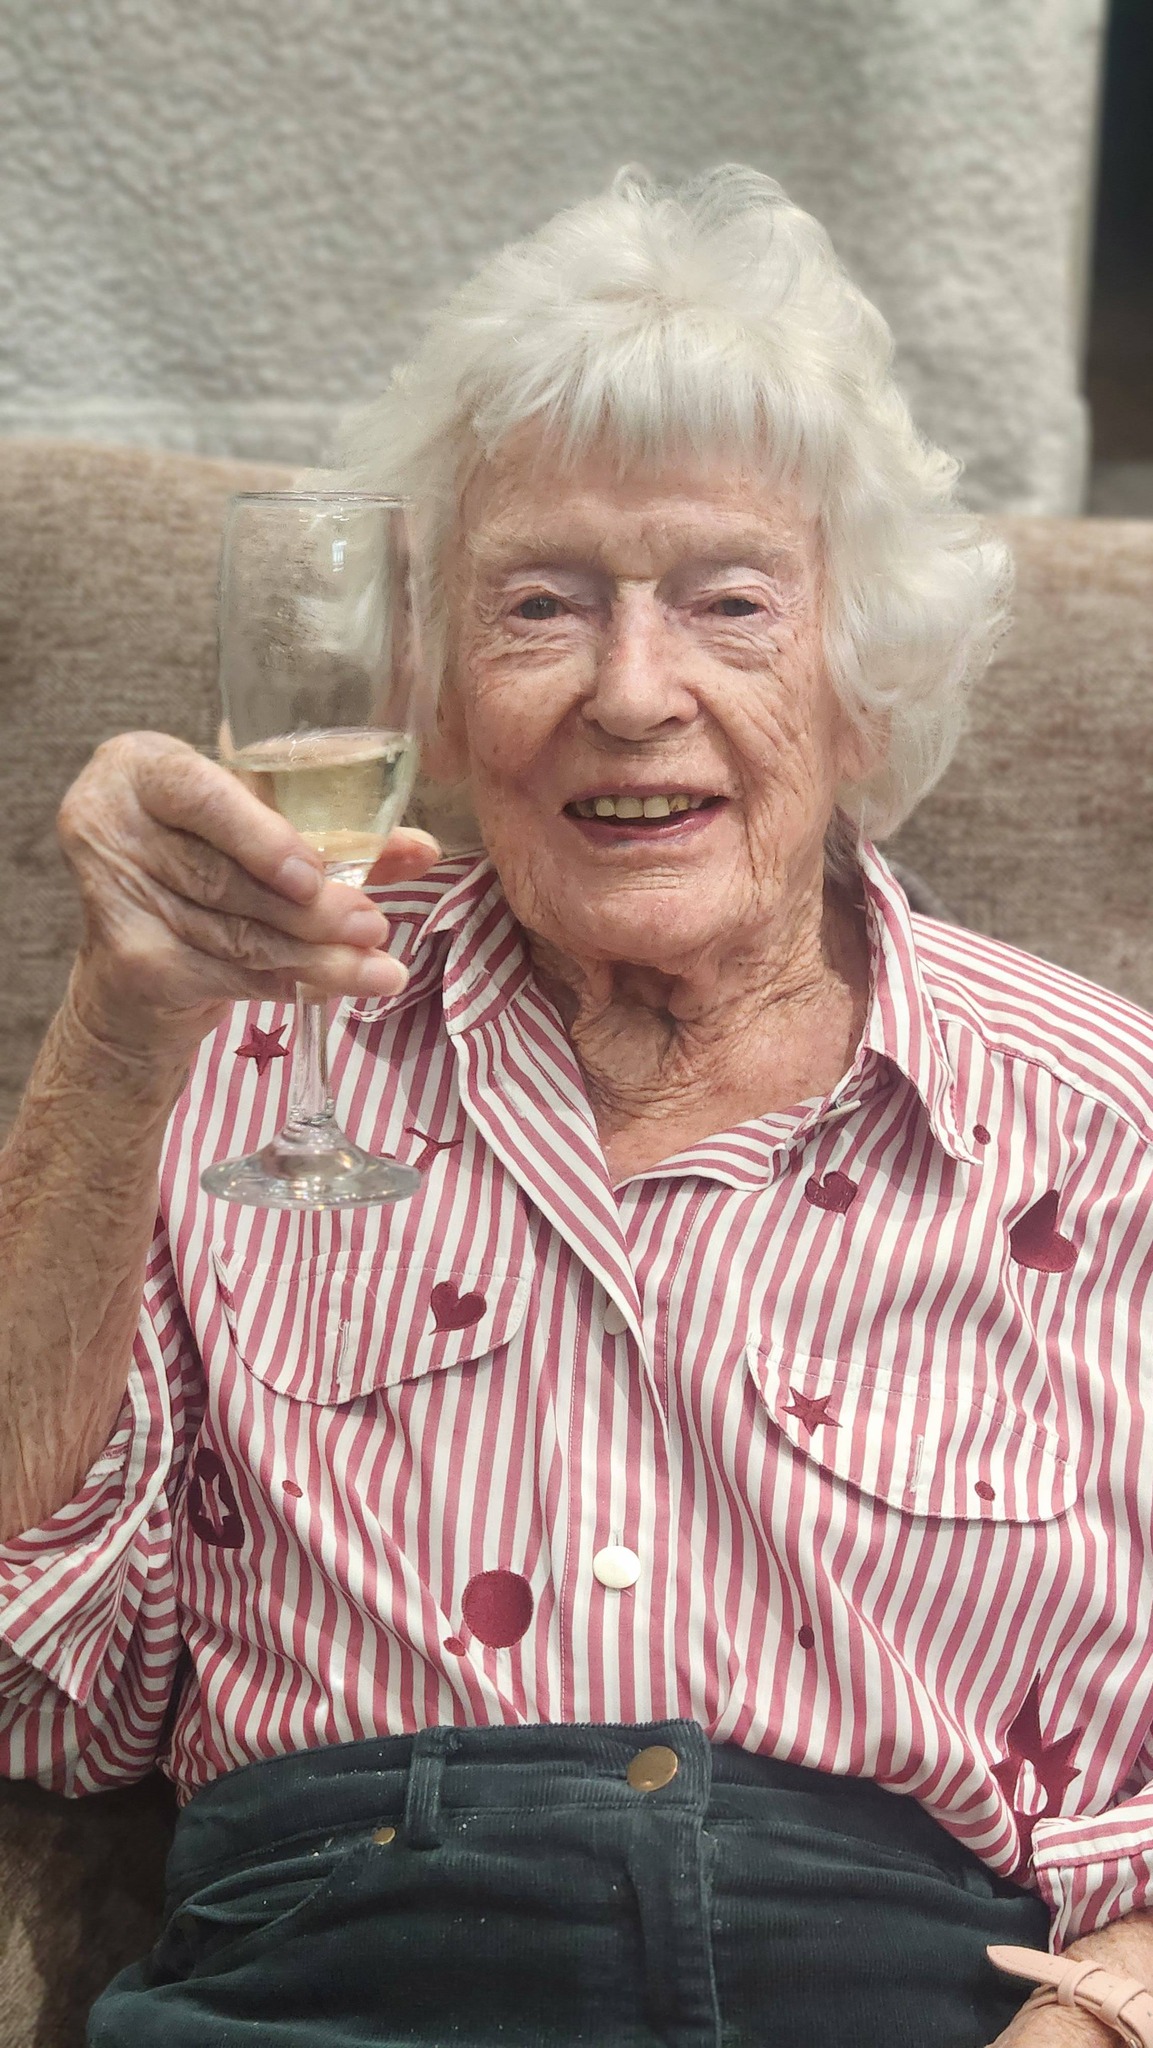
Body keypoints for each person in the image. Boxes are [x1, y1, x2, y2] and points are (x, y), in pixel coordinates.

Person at [1, 167, 1152, 2048]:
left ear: (858, 686)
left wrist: (1109, 2006)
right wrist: (114, 1038)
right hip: (323, 1980)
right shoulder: (240, 1051)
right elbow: (43, 1688)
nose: (632, 692)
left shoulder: (1105, 1131)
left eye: (728, 603)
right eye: (539, 606)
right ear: (434, 697)